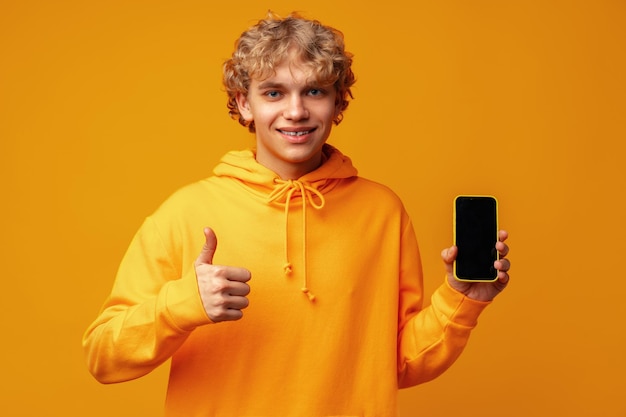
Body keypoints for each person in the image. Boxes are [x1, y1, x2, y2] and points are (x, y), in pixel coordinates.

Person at [83, 11, 511, 416]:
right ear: (244, 104)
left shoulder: (382, 212)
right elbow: (104, 357)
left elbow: (398, 363)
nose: (296, 111)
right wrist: (183, 303)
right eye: (273, 92)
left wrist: (461, 301)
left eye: (314, 91)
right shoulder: (185, 212)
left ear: (338, 104)